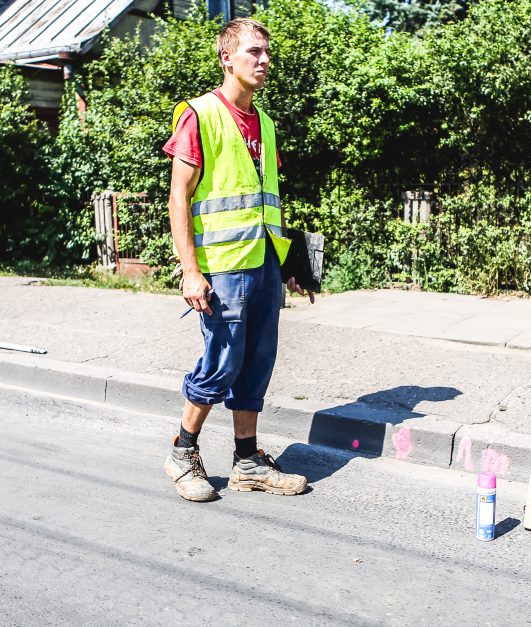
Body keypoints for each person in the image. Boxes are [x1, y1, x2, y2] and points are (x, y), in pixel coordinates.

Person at [162, 17, 315, 502]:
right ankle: (182, 452)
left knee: (257, 363)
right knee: (222, 362)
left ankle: (247, 461)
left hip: (263, 262)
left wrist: (289, 265)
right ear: (227, 57)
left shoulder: (265, 124)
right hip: (222, 266)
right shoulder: (199, 114)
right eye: (253, 52)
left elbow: (266, 198)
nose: (264, 60)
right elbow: (178, 198)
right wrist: (190, 270)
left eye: (266, 52)